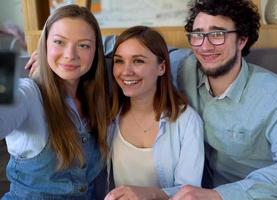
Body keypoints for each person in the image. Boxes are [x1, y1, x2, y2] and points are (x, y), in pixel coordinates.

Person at [170, 0, 277, 199]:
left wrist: (219, 196)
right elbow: (140, 48)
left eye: (217, 34)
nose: (204, 46)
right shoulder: (183, 68)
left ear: (242, 40)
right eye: (197, 35)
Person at [0, 4, 113, 199]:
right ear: (44, 45)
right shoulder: (28, 93)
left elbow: (135, 45)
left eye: (83, 45)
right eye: (59, 42)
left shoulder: (97, 97)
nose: (70, 54)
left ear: (96, 51)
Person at [103, 26, 204, 200]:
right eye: (119, 61)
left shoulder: (187, 121)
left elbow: (189, 192)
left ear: (162, 68)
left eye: (138, 61)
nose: (126, 71)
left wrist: (149, 194)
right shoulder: (108, 116)